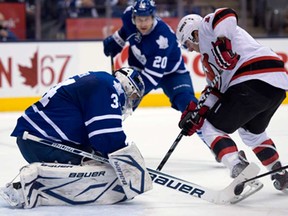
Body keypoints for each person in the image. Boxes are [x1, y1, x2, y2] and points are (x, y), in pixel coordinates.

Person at [0, 67, 152, 208]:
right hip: (42, 141)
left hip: (37, 138)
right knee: (107, 173)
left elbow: (98, 139)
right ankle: (30, 187)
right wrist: (127, 161)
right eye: (133, 97)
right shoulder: (107, 86)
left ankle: (36, 183)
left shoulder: (101, 81)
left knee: (102, 163)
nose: (131, 102)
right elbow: (106, 137)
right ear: (128, 86)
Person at [176, 8, 288, 192]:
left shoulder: (206, 28)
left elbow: (226, 14)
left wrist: (223, 42)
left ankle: (236, 165)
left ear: (193, 33)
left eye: (186, 43)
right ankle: (280, 173)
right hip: (275, 85)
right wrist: (197, 113)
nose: (188, 49)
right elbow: (215, 91)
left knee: (209, 127)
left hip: (252, 79)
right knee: (251, 133)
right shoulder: (208, 63)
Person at [103, 0, 198, 114]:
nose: (143, 24)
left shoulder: (163, 38)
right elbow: (126, 30)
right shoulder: (128, 16)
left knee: (188, 104)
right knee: (120, 103)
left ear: (153, 17)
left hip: (172, 73)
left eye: (146, 19)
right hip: (139, 68)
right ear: (133, 18)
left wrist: (134, 94)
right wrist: (117, 40)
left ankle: (204, 129)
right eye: (139, 19)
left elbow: (152, 77)